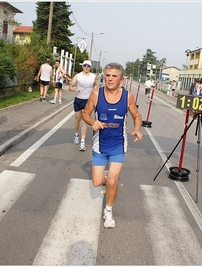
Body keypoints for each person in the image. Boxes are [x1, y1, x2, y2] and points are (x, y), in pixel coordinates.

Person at [81, 62, 142, 228]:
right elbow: (84, 113)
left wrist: (137, 129)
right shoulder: (96, 94)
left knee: (113, 181)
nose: (110, 79)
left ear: (121, 79)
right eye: (107, 75)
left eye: (114, 76)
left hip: (118, 146)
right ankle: (106, 179)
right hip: (99, 145)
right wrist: (92, 121)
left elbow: (137, 115)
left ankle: (108, 210)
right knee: (97, 182)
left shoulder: (127, 96)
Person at [68, 60, 97, 151]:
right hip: (78, 100)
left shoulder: (93, 76)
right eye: (85, 65)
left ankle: (83, 141)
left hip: (88, 101)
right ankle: (76, 135)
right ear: (82, 67)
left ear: (90, 67)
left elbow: (95, 86)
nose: (86, 67)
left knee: (84, 121)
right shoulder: (78, 76)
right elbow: (70, 87)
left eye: (88, 66)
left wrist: (94, 93)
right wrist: (75, 90)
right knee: (77, 119)